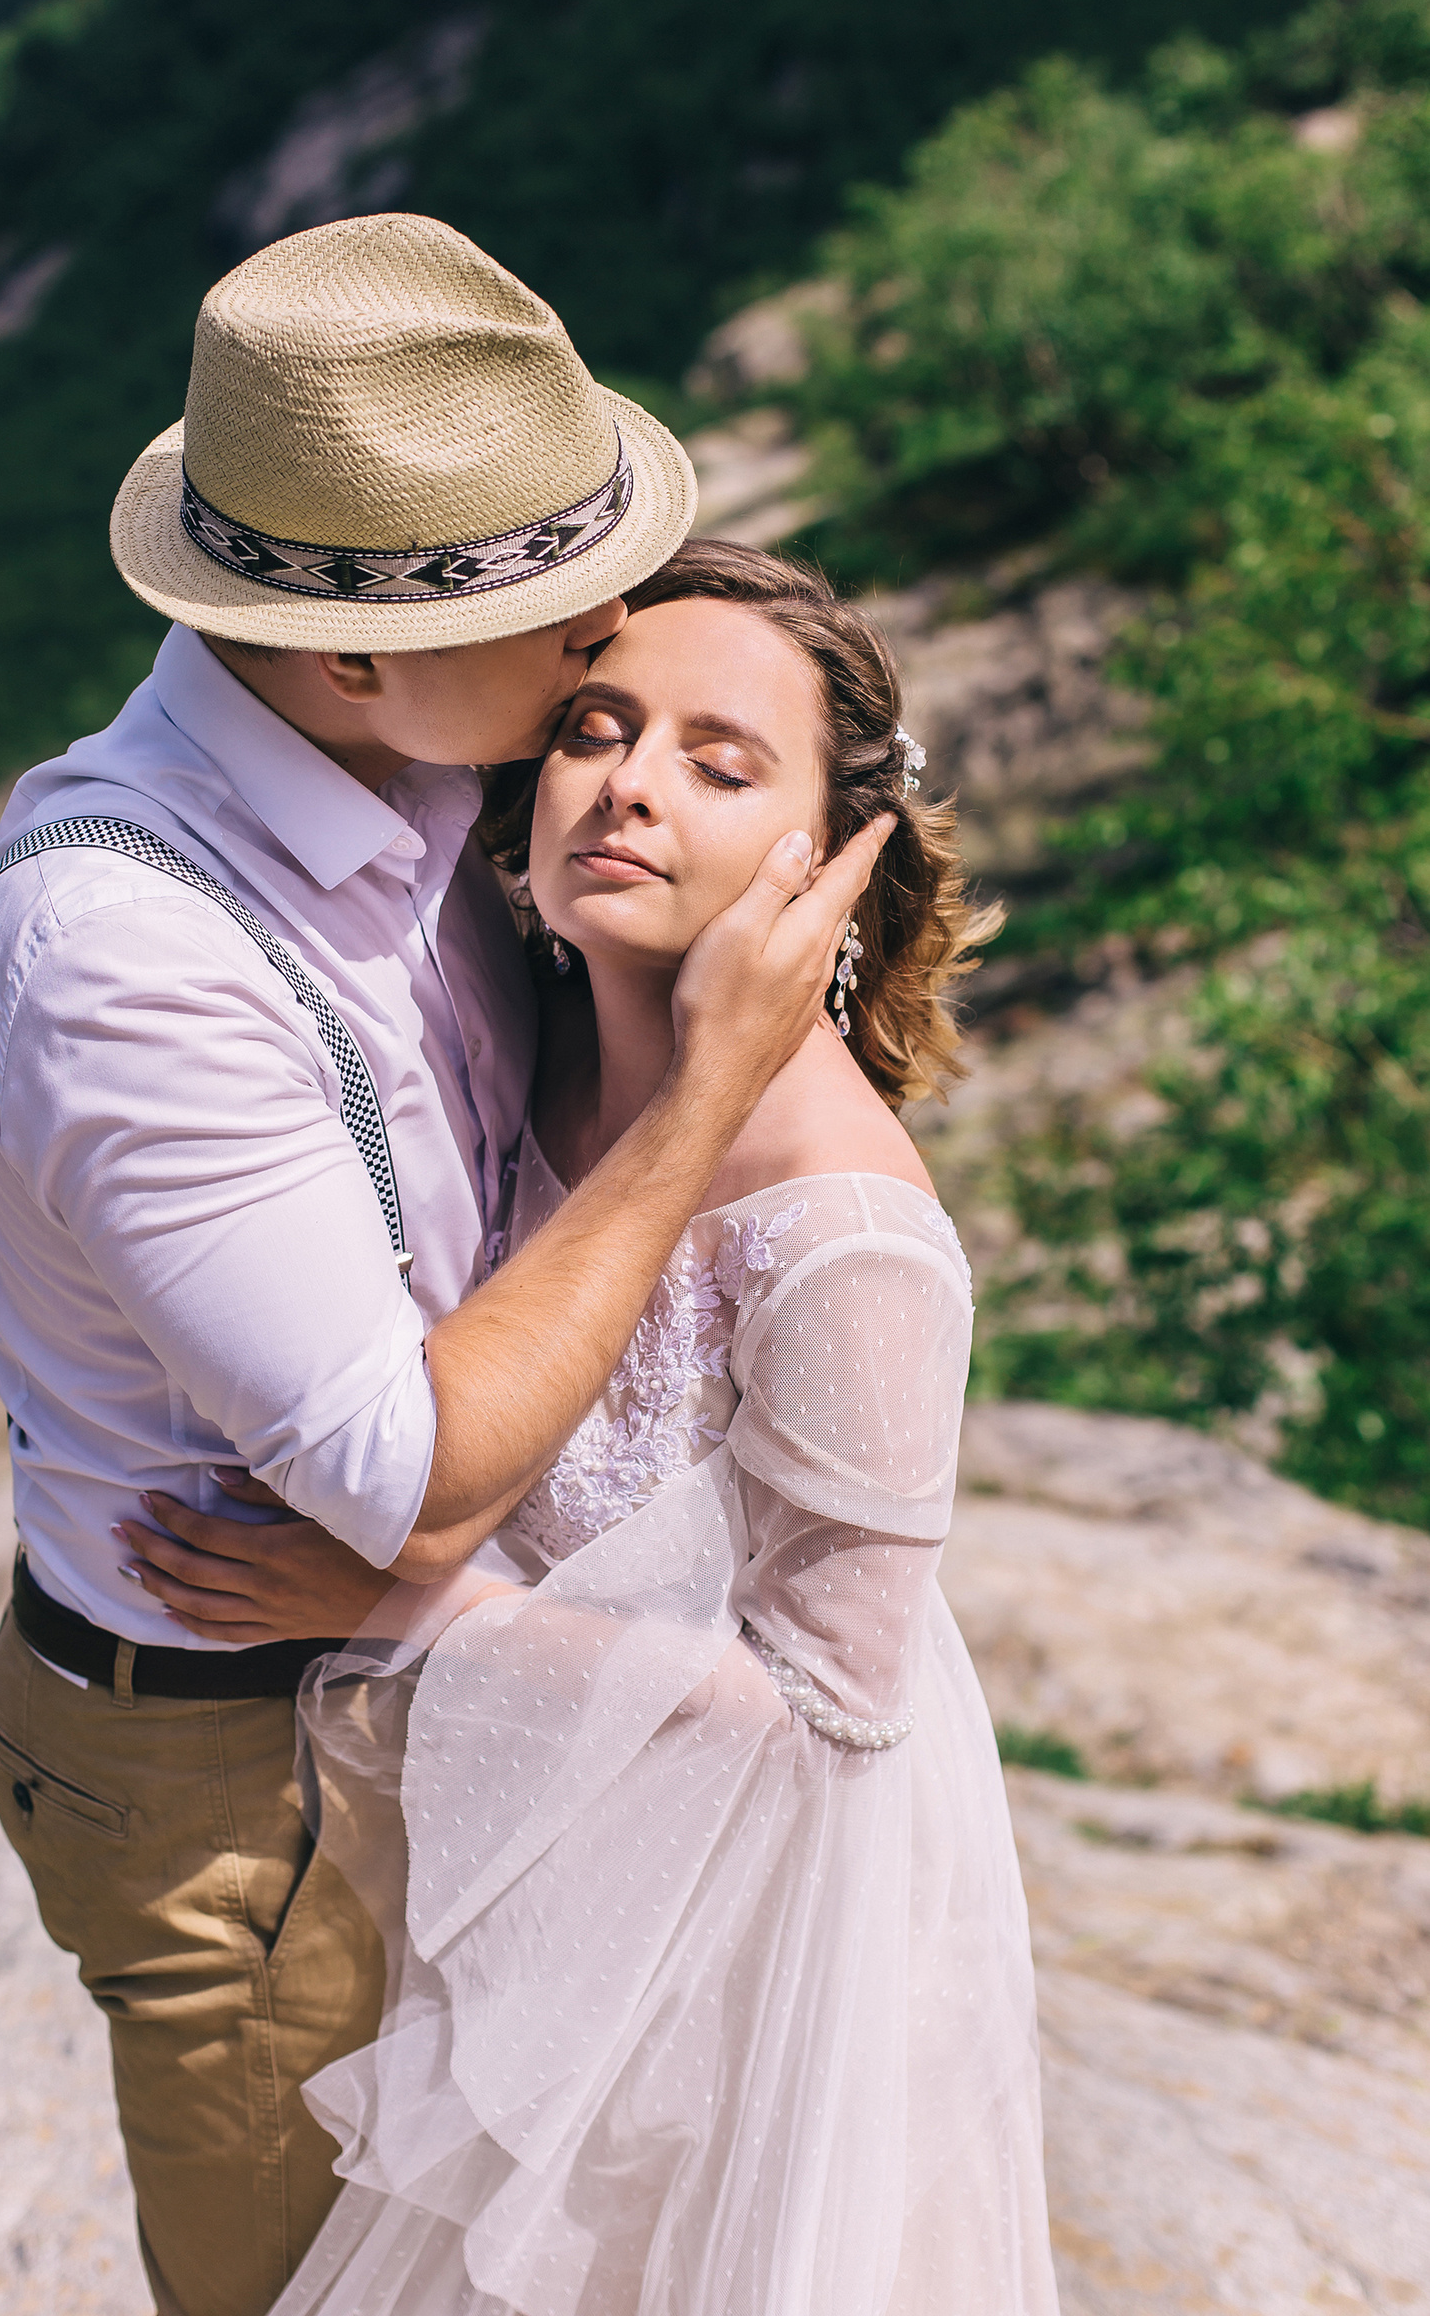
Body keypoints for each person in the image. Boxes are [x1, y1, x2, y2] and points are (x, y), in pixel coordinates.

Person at [0, 218, 886, 2316]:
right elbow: (410, 1474)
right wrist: (698, 1098)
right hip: (240, 1775)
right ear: (353, 652)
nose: (606, 649)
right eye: (567, 627)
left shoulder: (434, 778)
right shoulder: (127, 955)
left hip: (440, 1694)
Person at [153, 536, 1059, 2315]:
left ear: (835, 861)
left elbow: (831, 1720)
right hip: (540, 1878)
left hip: (743, 1967)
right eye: (593, 727)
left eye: (722, 767)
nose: (631, 785)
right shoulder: (530, 1027)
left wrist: (400, 1605)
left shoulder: (851, 1234)